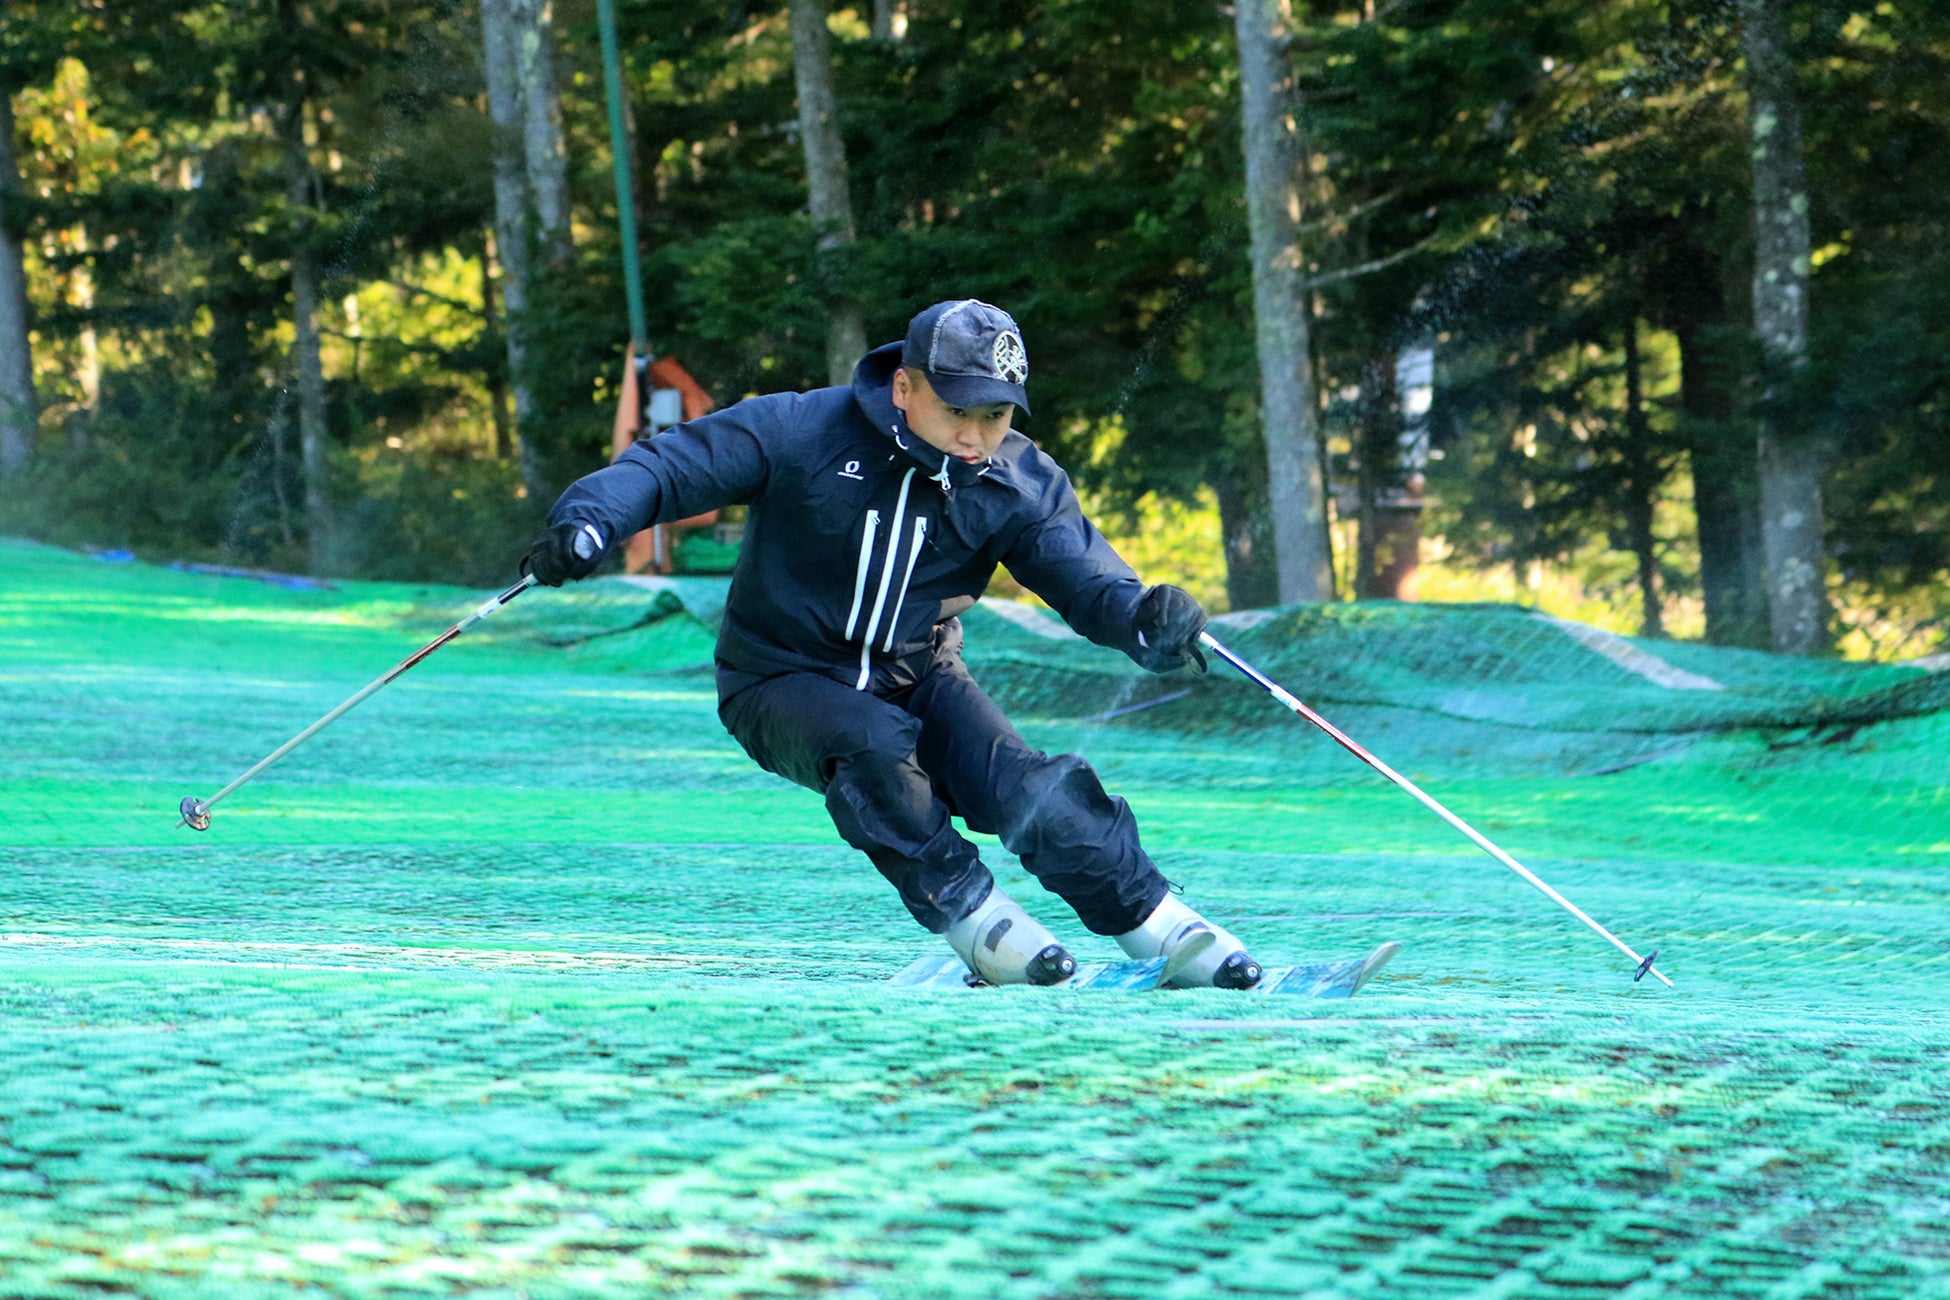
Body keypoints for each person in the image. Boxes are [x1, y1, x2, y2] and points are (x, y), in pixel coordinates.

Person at [524, 300, 1263, 988]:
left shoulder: (1014, 480)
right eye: (958, 411)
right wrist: (590, 522)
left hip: (921, 675)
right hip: (779, 678)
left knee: (1033, 788)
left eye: (997, 415)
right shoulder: (802, 430)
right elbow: (668, 465)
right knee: (875, 746)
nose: (976, 435)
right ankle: (978, 919)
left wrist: (1145, 621)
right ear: (905, 388)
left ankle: (1163, 927)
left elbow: (1090, 585)